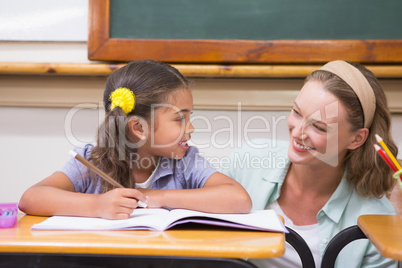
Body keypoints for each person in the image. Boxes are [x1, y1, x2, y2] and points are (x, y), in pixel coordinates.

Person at [19, 60, 252, 220]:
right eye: (180, 119)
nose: (191, 128)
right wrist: (98, 206)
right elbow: (31, 199)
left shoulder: (185, 162)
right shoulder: (92, 160)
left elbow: (239, 199)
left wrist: (158, 197)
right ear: (139, 128)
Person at [219, 60, 398, 267]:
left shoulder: (376, 223)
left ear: (356, 139)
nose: (297, 133)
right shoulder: (246, 162)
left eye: (319, 127)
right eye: (296, 112)